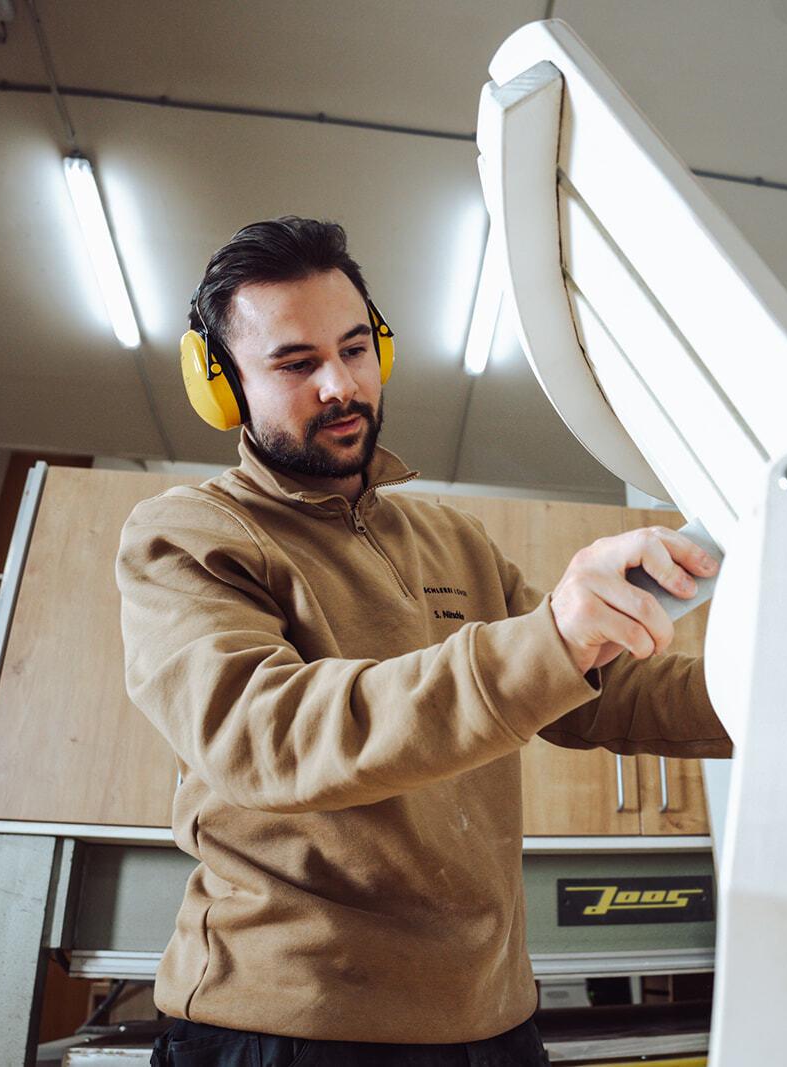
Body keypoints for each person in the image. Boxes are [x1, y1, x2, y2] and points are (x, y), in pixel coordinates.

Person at [117, 217, 731, 1067]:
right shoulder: (186, 534)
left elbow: (595, 684)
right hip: (295, 1025)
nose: (341, 384)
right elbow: (268, 736)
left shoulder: (452, 539)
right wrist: (551, 634)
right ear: (222, 388)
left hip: (493, 1020)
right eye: (296, 364)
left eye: (357, 348)